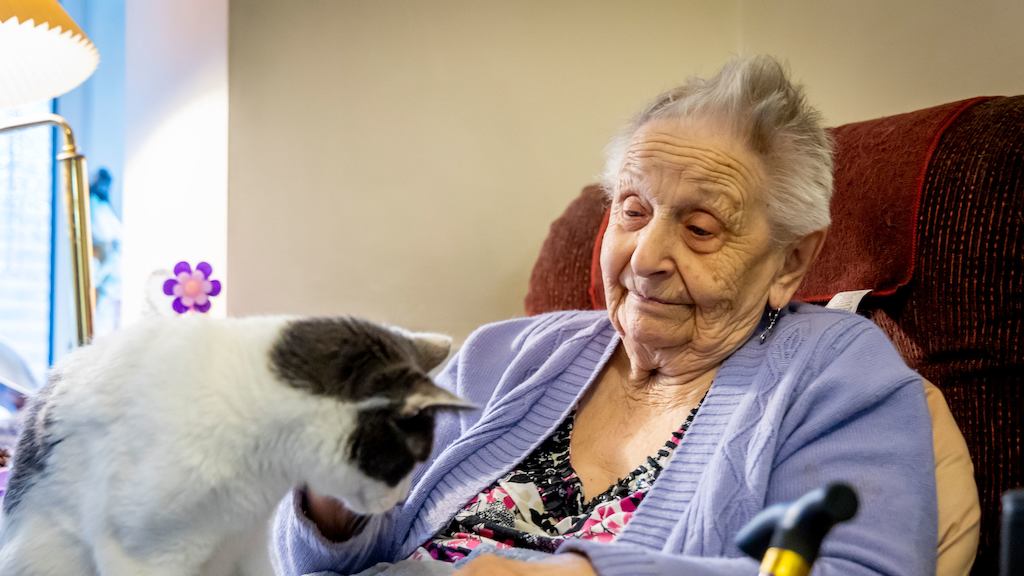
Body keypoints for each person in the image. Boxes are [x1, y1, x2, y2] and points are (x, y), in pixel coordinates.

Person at [273, 55, 937, 575]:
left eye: (701, 227)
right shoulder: (501, 355)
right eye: (633, 210)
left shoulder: (836, 375)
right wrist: (335, 494)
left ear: (790, 262)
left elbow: (855, 568)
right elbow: (316, 561)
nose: (645, 257)